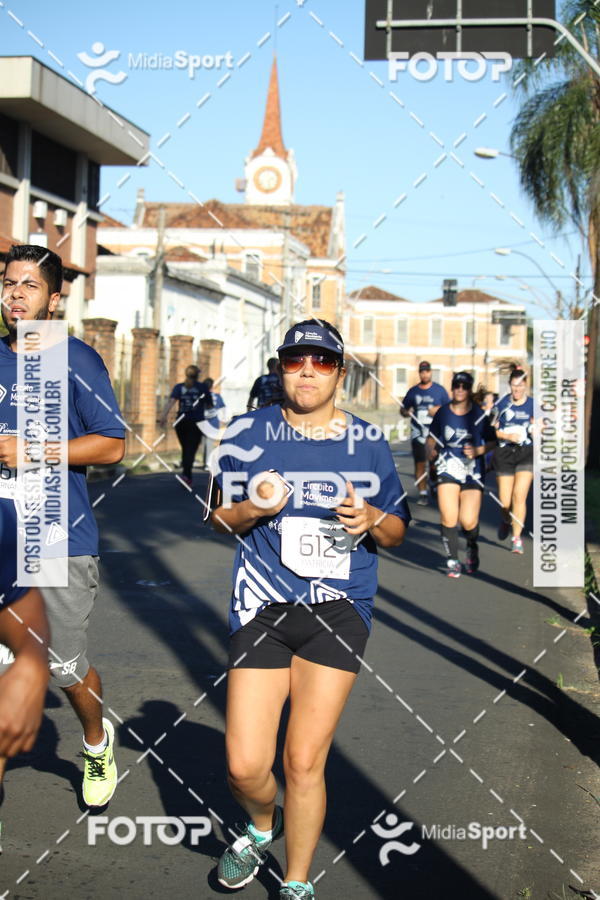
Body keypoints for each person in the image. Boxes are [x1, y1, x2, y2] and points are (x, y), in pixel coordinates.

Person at [209, 319, 410, 899]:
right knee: (246, 766)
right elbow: (218, 517)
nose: (307, 371)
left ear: (339, 373)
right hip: (262, 608)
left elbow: (397, 530)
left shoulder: (368, 441)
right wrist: (252, 508)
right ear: (280, 368)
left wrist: (373, 519)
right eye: (296, 360)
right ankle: (259, 827)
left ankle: (297, 882)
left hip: (339, 609)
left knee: (302, 761)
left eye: (321, 362)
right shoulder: (246, 432)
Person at [0, 244, 124, 807]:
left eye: (29, 285)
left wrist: (30, 451)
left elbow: (113, 443)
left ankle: (96, 742)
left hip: (56, 534)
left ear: (54, 298)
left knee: (63, 666)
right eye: (8, 282)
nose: (15, 294)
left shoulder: (69, 358)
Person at [0, 501, 50, 847]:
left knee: (69, 670)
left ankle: (95, 739)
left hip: (53, 540)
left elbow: (23, 609)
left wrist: (31, 666)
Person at [426, 371, 496, 578]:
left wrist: (479, 451)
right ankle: (453, 560)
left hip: (472, 471)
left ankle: (472, 545)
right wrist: (430, 450)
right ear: (452, 387)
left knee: (467, 521)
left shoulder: (479, 415)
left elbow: (492, 442)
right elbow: (431, 438)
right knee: (449, 517)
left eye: (464, 387)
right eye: (457, 385)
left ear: (469, 390)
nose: (460, 389)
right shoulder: (443, 413)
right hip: (448, 467)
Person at [492, 367, 534, 554]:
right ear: (509, 385)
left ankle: (516, 538)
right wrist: (507, 437)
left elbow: (545, 427)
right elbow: (491, 430)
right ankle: (505, 519)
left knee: (519, 496)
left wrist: (538, 428)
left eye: (520, 386)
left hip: (526, 453)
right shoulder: (500, 405)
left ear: (526, 386)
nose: (517, 389)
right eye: (514, 385)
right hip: (505, 453)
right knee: (505, 501)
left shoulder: (534, 405)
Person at [401, 362, 448, 505]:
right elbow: (403, 409)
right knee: (420, 463)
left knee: (434, 464)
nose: (425, 374)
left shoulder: (440, 391)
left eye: (427, 371)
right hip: (418, 433)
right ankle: (422, 493)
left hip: (435, 434)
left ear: (431, 372)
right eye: (422, 371)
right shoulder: (413, 391)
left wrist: (438, 409)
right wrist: (406, 412)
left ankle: (433, 481)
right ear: (419, 373)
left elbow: (450, 409)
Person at [160, 365, 211, 486]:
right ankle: (187, 475)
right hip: (197, 422)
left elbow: (171, 402)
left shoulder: (179, 387)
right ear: (197, 375)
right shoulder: (202, 387)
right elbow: (210, 405)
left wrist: (163, 416)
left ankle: (186, 474)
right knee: (191, 449)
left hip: (181, 422)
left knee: (185, 448)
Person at [202, 377, 228, 469]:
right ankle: (208, 462)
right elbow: (223, 408)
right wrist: (223, 420)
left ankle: (206, 462)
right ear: (212, 386)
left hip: (202, 421)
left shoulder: (201, 396)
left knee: (205, 442)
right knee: (209, 442)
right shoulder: (217, 396)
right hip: (213, 422)